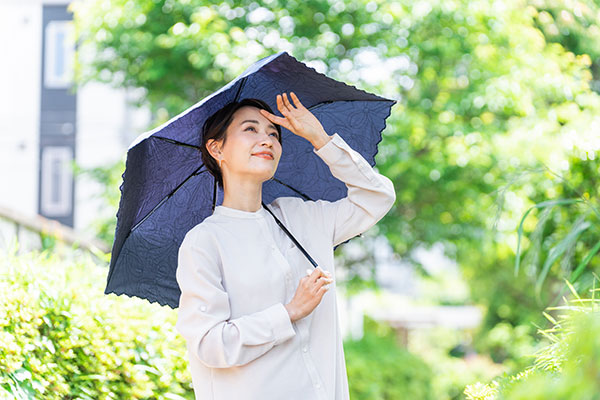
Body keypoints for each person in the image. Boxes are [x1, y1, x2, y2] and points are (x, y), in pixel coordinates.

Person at [175, 92, 395, 400]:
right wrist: (289, 312)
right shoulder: (205, 241)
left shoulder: (302, 218)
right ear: (216, 148)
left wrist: (319, 137)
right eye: (250, 129)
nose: (267, 141)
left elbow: (377, 198)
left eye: (274, 134)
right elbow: (209, 345)